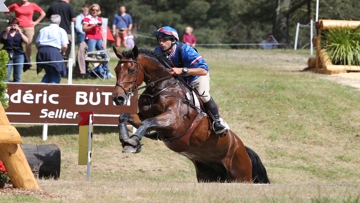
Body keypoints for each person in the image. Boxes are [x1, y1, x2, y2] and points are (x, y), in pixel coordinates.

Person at [153, 26, 229, 135]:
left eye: (164, 40)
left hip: (196, 77)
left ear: (174, 40)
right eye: (159, 40)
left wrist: (182, 70)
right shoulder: (158, 51)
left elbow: (203, 70)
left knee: (203, 94)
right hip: (179, 80)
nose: (161, 43)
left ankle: (218, 121)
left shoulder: (186, 50)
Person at [35, 14, 68, 83]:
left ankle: (40, 90)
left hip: (42, 51)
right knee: (56, 73)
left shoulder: (43, 29)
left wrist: (41, 50)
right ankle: (53, 91)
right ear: (60, 21)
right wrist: (62, 52)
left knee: (49, 73)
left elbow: (37, 43)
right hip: (53, 52)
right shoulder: (61, 30)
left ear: (50, 21)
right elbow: (65, 46)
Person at [82, 4, 110, 78]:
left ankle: (106, 71)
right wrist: (93, 26)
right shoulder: (87, 18)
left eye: (96, 10)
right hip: (90, 38)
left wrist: (104, 41)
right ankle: (85, 72)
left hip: (99, 39)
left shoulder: (99, 19)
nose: (94, 11)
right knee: (89, 55)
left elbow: (101, 31)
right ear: (90, 10)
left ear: (99, 11)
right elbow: (84, 29)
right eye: (93, 10)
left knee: (104, 54)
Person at [0, 18, 29, 82]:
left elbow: (27, 41)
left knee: (17, 75)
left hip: (19, 54)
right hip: (7, 54)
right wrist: (7, 32)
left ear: (18, 26)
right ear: (8, 25)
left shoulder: (21, 33)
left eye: (15, 25)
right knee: (6, 75)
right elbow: (2, 40)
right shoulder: (4, 33)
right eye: (11, 25)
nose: (13, 27)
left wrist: (20, 33)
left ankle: (16, 88)